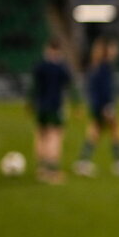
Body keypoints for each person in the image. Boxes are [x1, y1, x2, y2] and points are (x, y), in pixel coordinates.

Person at [73, 38, 119, 177]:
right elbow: (105, 90)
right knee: (115, 132)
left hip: (97, 106)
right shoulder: (105, 67)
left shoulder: (96, 66)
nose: (117, 50)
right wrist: (108, 107)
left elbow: (93, 89)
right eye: (114, 47)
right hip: (104, 106)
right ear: (108, 51)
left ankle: (83, 162)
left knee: (94, 133)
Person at [29, 39, 73, 184]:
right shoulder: (60, 67)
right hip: (55, 106)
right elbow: (69, 85)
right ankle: (52, 171)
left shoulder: (40, 65)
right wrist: (76, 104)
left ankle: (41, 169)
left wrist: (30, 103)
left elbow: (34, 86)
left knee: (41, 135)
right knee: (55, 136)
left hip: (41, 106)